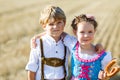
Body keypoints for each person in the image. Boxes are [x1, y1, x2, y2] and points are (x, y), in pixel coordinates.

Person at [25, 5, 70, 80]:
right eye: (51, 24)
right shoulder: (38, 43)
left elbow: (83, 48)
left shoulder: (68, 42)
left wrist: (97, 46)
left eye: (59, 22)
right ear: (44, 26)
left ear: (64, 23)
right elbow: (31, 68)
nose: (55, 27)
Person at [63, 14, 112, 80]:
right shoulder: (73, 44)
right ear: (75, 32)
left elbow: (106, 76)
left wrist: (104, 78)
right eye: (82, 32)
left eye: (90, 32)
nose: (86, 35)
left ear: (94, 31)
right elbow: (59, 33)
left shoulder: (101, 55)